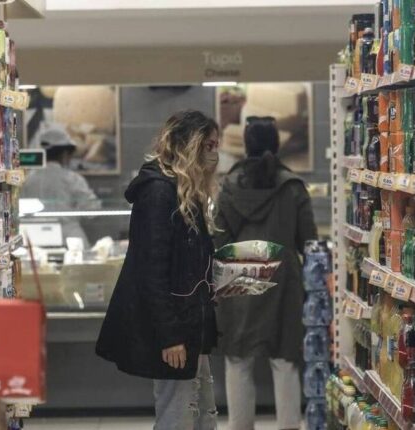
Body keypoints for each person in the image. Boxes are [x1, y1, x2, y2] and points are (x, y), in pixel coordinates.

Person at [95, 110, 220, 429]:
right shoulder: (159, 191)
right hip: (176, 329)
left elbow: (187, 261)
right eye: (208, 146)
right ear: (189, 146)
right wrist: (170, 336)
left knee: (201, 416)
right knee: (177, 417)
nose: (215, 154)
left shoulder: (185, 189)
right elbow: (151, 270)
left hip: (192, 324)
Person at [213, 118, 317, 430]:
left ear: (246, 145)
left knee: (238, 359)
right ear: (277, 143)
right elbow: (309, 241)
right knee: (284, 360)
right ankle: (289, 425)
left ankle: (240, 425)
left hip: (239, 272)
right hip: (283, 278)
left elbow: (219, 239)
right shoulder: (293, 187)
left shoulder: (230, 185)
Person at [21, 127, 102, 247]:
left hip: (35, 240)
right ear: (64, 154)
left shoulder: (27, 179)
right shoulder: (72, 179)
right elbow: (92, 210)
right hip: (69, 241)